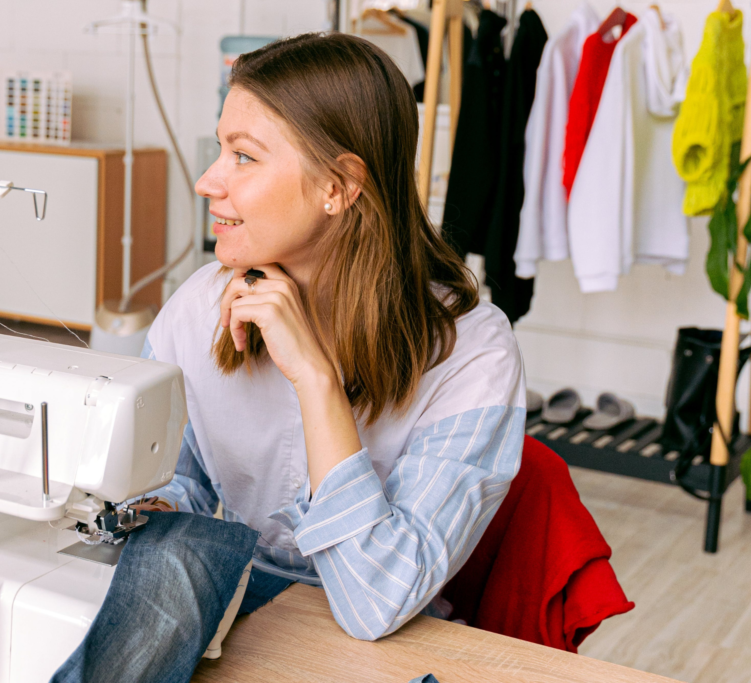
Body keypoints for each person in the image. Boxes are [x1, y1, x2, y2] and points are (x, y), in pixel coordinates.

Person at [136, 32, 525, 641]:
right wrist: (144, 510)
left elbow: (377, 602)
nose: (208, 182)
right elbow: (177, 482)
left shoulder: (470, 355)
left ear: (337, 187)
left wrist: (316, 381)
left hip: (378, 640)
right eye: (221, 150)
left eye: (243, 156)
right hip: (232, 605)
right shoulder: (197, 309)